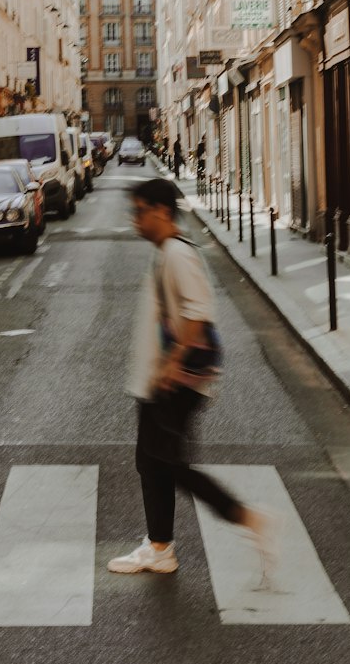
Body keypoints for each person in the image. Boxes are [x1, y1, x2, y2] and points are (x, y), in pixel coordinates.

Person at [108, 178, 274, 575]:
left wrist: (170, 365)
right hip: (161, 378)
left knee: (169, 463)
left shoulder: (178, 255)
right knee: (151, 462)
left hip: (174, 380)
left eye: (140, 211)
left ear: (162, 212)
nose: (135, 220)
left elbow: (199, 312)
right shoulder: (167, 252)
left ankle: (246, 517)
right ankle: (160, 547)